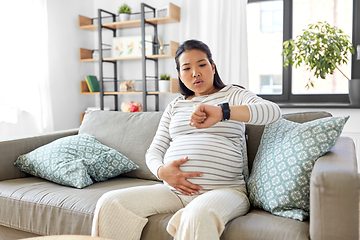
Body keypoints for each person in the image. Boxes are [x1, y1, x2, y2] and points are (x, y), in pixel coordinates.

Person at [91, 39, 281, 240]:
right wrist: (162, 172)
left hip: (225, 190)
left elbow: (272, 112)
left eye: (201, 64)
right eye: (187, 68)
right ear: (180, 75)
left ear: (213, 67)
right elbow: (154, 151)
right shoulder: (175, 106)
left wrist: (222, 112)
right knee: (110, 202)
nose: (195, 73)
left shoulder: (233, 95)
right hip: (173, 192)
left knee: (197, 215)